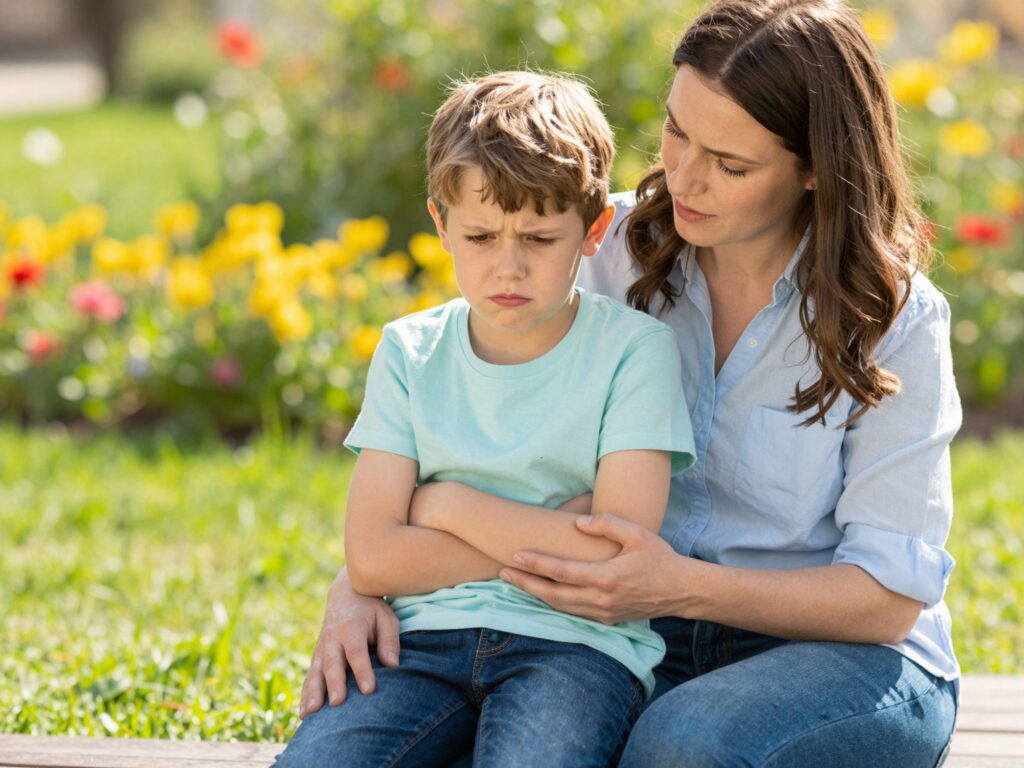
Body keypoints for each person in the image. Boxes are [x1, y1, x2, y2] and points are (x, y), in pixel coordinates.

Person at [299, 0, 962, 765]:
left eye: (731, 163)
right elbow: (448, 389)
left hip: (841, 653)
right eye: (678, 131)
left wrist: (676, 587)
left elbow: (883, 600)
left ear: (815, 168)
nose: (683, 175)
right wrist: (359, 580)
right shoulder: (596, 243)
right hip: (625, 628)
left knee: (683, 745)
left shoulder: (896, 319)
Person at [273, 70, 696, 768]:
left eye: (538, 237)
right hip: (412, 645)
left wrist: (441, 505)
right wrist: (552, 527)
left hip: (576, 647)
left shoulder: (634, 353)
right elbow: (373, 558)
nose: (508, 267)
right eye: (479, 235)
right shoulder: (410, 352)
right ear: (441, 225)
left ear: (592, 231)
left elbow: (614, 553)